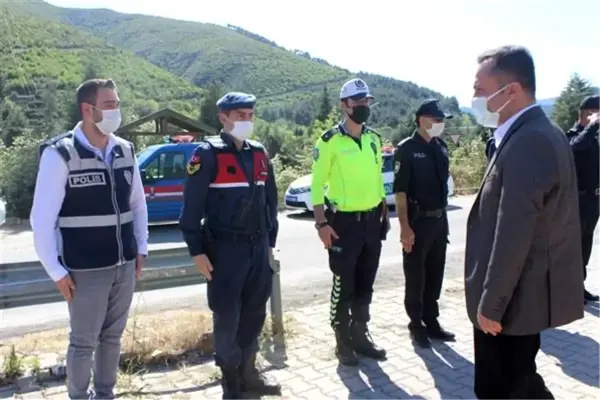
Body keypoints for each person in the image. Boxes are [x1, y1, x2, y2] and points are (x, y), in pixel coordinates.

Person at [464, 45, 584, 400]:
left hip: (512, 301)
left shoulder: (530, 141)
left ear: (511, 91)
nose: (473, 98)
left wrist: (491, 303)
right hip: (518, 296)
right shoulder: (530, 134)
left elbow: (514, 230)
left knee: (502, 388)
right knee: (520, 380)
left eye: (480, 90)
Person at [30, 78, 148, 400]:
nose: (117, 111)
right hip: (84, 272)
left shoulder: (125, 150)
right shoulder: (60, 155)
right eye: (110, 105)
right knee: (84, 343)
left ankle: (106, 394)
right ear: (88, 109)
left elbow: (137, 204)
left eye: (117, 104)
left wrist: (142, 247)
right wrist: (56, 271)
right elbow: (40, 220)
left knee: (112, 338)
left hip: (124, 265)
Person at [179, 92, 280, 399]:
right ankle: (230, 383)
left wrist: (269, 243)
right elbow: (191, 208)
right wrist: (196, 250)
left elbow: (270, 201)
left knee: (254, 314)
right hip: (224, 252)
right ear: (222, 117)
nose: (246, 121)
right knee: (227, 318)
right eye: (239, 115)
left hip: (257, 249)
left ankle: (250, 374)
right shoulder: (206, 154)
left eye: (250, 115)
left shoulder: (259, 153)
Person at [311, 78, 389, 366]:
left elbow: (377, 177)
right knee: (344, 284)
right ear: (344, 105)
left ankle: (360, 334)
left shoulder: (374, 139)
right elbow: (317, 186)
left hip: (372, 221)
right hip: (343, 224)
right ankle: (342, 339)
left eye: (366, 101)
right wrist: (321, 224)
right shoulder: (329, 141)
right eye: (356, 102)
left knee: (366, 283)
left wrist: (383, 211)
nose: (362, 107)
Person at [393, 99, 455, 348]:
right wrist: (404, 227)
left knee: (435, 275)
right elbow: (400, 193)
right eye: (436, 119)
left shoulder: (440, 147)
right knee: (416, 277)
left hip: (440, 221)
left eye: (442, 121)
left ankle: (432, 321)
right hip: (417, 223)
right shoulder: (407, 149)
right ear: (422, 119)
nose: (440, 124)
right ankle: (416, 324)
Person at [565, 95, 600, 304]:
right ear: (588, 113)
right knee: (573, 247)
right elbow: (575, 148)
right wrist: (592, 126)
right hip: (578, 201)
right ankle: (569, 289)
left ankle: (580, 285)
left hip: (594, 202)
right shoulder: (573, 135)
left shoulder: (594, 137)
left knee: (585, 246)